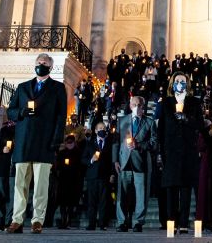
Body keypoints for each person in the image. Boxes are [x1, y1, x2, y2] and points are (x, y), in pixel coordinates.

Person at [5, 53, 68, 234]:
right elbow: (10, 111)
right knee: (20, 184)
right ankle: (16, 220)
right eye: (39, 62)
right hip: (24, 140)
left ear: (50, 67)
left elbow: (61, 115)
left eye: (45, 63)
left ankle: (37, 220)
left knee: (41, 185)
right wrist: (21, 113)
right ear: (35, 65)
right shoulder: (23, 87)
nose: (42, 65)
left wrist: (57, 139)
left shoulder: (57, 88)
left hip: (44, 141)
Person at [157, 72, 201, 234]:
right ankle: (171, 222)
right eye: (177, 81)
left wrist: (186, 119)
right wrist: (160, 152)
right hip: (170, 151)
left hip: (188, 151)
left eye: (183, 81)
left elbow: (200, 124)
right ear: (172, 84)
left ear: (187, 84)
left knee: (185, 188)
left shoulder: (194, 103)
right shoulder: (166, 103)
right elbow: (161, 129)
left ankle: (183, 223)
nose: (180, 83)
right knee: (171, 188)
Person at [113, 95, 156, 232]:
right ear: (130, 105)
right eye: (134, 104)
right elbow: (116, 142)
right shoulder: (122, 121)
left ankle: (138, 222)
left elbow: (154, 144)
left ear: (144, 107)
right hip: (124, 161)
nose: (137, 107)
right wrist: (115, 160)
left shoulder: (149, 122)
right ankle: (122, 222)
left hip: (141, 163)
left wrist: (139, 145)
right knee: (122, 194)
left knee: (141, 194)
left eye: (140, 105)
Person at [82, 120, 113, 230]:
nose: (102, 130)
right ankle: (91, 223)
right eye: (100, 129)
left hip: (104, 176)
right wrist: (91, 160)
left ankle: (102, 224)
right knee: (92, 201)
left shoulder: (109, 144)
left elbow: (112, 160)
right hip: (92, 176)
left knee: (104, 201)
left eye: (104, 129)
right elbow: (83, 159)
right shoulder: (90, 144)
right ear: (95, 131)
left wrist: (112, 174)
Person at [53, 133, 85, 228]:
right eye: (68, 143)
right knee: (63, 202)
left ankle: (68, 220)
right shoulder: (62, 153)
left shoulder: (78, 153)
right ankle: (63, 220)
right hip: (63, 180)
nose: (69, 144)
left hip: (74, 180)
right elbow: (57, 166)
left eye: (71, 143)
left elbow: (81, 166)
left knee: (71, 203)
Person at [0, 120, 16, 231]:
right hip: (2, 166)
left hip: (14, 167)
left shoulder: (20, 130)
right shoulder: (3, 131)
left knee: (12, 195)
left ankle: (9, 221)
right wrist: (2, 150)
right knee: (0, 194)